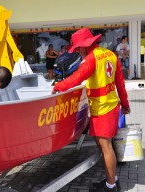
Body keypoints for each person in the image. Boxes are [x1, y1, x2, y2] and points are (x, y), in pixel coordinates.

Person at [52, 28, 130, 192]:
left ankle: (111, 187)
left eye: (79, 47)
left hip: (103, 109)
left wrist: (59, 86)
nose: (78, 50)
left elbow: (76, 78)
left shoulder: (90, 59)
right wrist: (125, 104)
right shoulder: (110, 54)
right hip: (108, 106)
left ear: (87, 45)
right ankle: (112, 179)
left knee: (105, 146)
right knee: (102, 145)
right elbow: (120, 83)